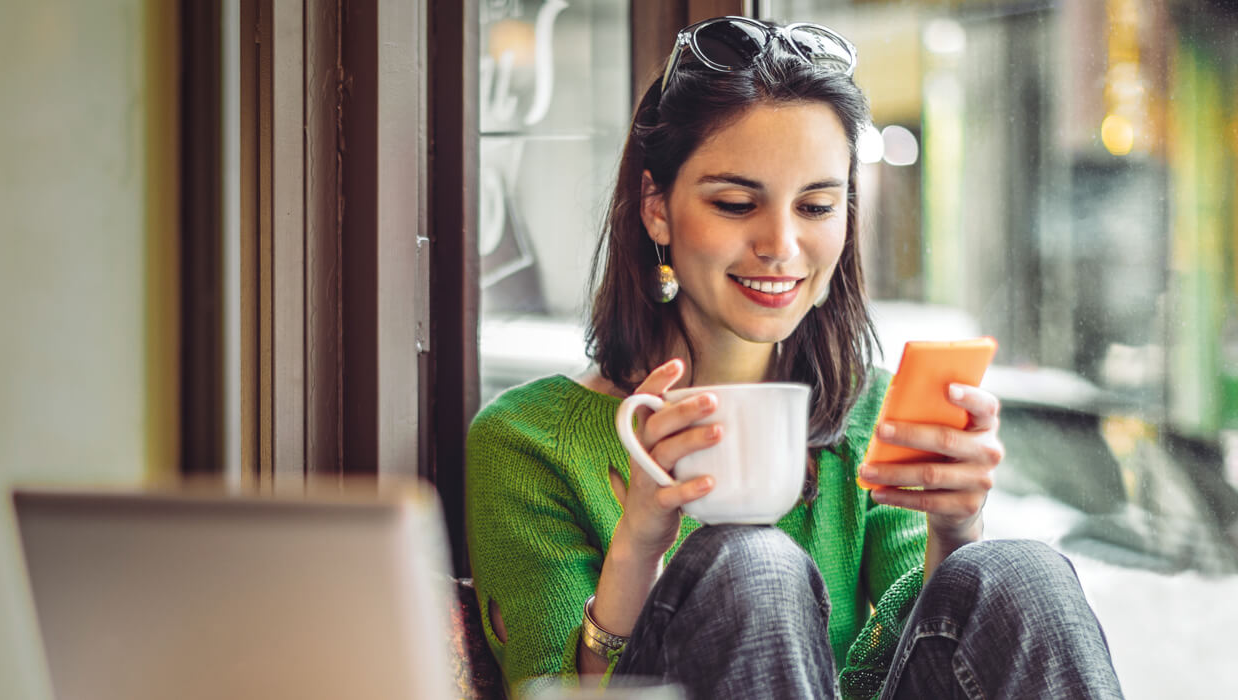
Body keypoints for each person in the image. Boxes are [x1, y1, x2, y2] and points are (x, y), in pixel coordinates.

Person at [465, 16, 1123, 700]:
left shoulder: (869, 414)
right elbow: (553, 691)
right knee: (751, 562)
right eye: (735, 203)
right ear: (656, 207)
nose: (780, 244)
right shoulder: (529, 442)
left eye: (815, 206)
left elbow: (912, 662)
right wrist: (639, 542)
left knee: (1020, 572)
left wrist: (955, 532)